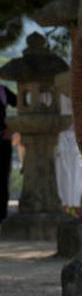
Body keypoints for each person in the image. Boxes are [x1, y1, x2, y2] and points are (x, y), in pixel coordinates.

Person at [0, 84, 15, 222]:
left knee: (3, 176)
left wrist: (13, 128)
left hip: (2, 140)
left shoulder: (3, 91)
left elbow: (22, 105)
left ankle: (2, 214)